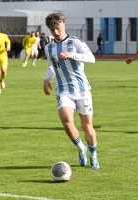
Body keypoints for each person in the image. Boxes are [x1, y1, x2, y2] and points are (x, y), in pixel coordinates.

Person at [43, 13, 99, 169]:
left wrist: (71, 55)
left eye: (58, 28)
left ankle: (93, 154)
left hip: (82, 90)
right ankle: (81, 148)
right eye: (52, 29)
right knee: (67, 122)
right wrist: (47, 79)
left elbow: (92, 58)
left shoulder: (76, 42)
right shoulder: (49, 47)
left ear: (64, 25)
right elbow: (51, 66)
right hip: (63, 90)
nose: (56, 32)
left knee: (87, 126)